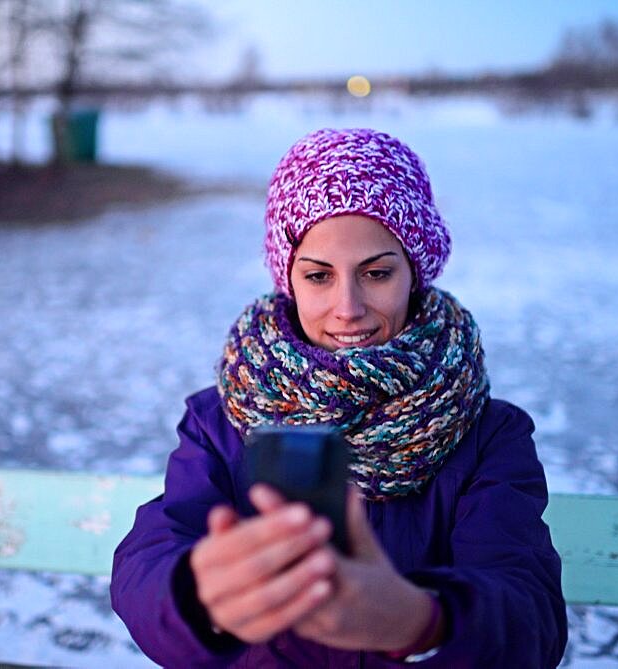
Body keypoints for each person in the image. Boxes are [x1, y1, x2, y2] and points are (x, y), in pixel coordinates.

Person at [110, 128, 567, 667]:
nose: (347, 308)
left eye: (376, 273)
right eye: (319, 276)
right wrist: (200, 595)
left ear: (413, 272)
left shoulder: (488, 434)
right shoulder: (219, 420)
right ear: (289, 278)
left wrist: (423, 622)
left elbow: (528, 610)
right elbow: (152, 557)